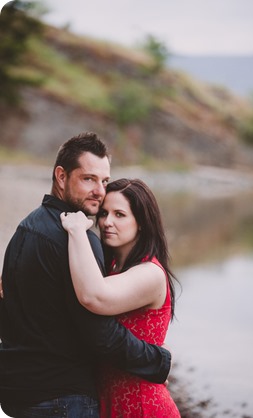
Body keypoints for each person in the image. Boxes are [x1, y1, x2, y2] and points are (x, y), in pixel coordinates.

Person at [0, 132, 171, 418]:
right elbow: (100, 334)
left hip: (18, 393)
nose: (99, 191)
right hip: (63, 398)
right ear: (61, 176)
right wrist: (158, 361)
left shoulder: (24, 230)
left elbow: (11, 317)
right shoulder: (77, 242)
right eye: (89, 179)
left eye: (104, 181)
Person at [60, 178, 181, 417]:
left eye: (120, 214)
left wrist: (76, 231)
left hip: (142, 407)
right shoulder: (114, 267)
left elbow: (93, 296)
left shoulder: (151, 274)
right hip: (109, 401)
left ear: (143, 223)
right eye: (104, 213)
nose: (107, 222)